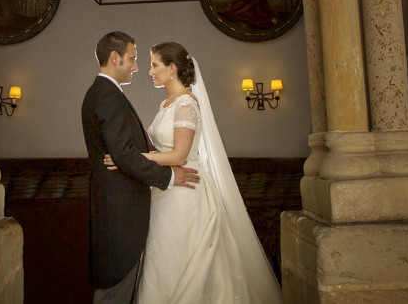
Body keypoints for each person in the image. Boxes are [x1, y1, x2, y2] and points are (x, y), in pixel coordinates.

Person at [107, 41, 283, 303]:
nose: (150, 71)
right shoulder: (167, 103)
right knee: (162, 256)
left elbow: (179, 154)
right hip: (165, 190)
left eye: (155, 65)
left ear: (173, 68)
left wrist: (130, 158)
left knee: (181, 256)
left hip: (185, 191)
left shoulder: (186, 104)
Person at [81, 31, 200, 303]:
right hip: (120, 208)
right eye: (133, 59)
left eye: (150, 63)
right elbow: (124, 154)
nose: (137, 67)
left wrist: (137, 158)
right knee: (116, 287)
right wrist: (168, 177)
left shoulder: (103, 93)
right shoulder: (107, 95)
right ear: (115, 58)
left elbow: (131, 153)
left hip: (130, 205)